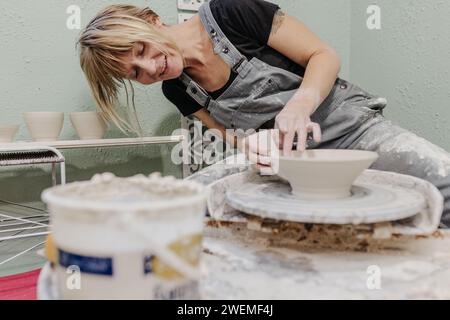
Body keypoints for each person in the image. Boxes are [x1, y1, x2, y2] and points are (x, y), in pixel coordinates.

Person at [77, 0, 450, 227]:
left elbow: (323, 55)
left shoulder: (230, 12)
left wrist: (299, 106)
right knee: (183, 203)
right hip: (285, 161)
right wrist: (252, 145)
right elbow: (233, 137)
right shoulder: (177, 89)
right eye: (135, 72)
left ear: (152, 20)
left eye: (142, 49)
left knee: (444, 180)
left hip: (350, 130)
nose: (150, 66)